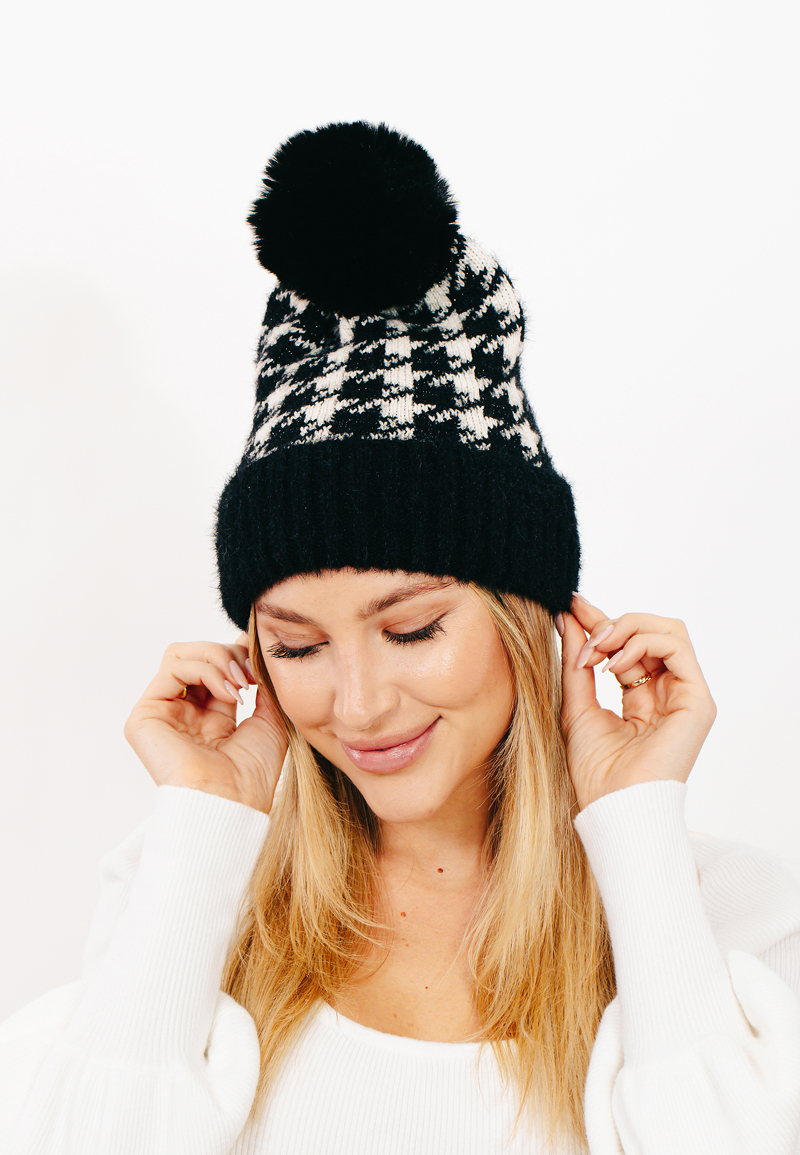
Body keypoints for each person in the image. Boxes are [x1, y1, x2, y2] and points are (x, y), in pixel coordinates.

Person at [1, 120, 799, 1155]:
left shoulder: (715, 912)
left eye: (412, 628)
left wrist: (635, 821)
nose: (360, 703)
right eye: (296, 647)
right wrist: (202, 818)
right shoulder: (184, 884)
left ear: (526, 620)